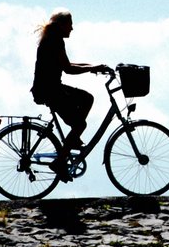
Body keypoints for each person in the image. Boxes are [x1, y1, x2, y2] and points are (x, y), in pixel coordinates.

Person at [31, 10, 110, 181]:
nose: (72, 28)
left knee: (86, 99)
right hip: (49, 90)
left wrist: (94, 66)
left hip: (50, 88)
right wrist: (92, 68)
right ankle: (60, 161)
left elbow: (67, 64)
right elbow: (68, 69)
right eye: (70, 24)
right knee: (80, 123)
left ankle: (72, 139)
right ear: (61, 25)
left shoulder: (52, 39)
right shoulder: (55, 41)